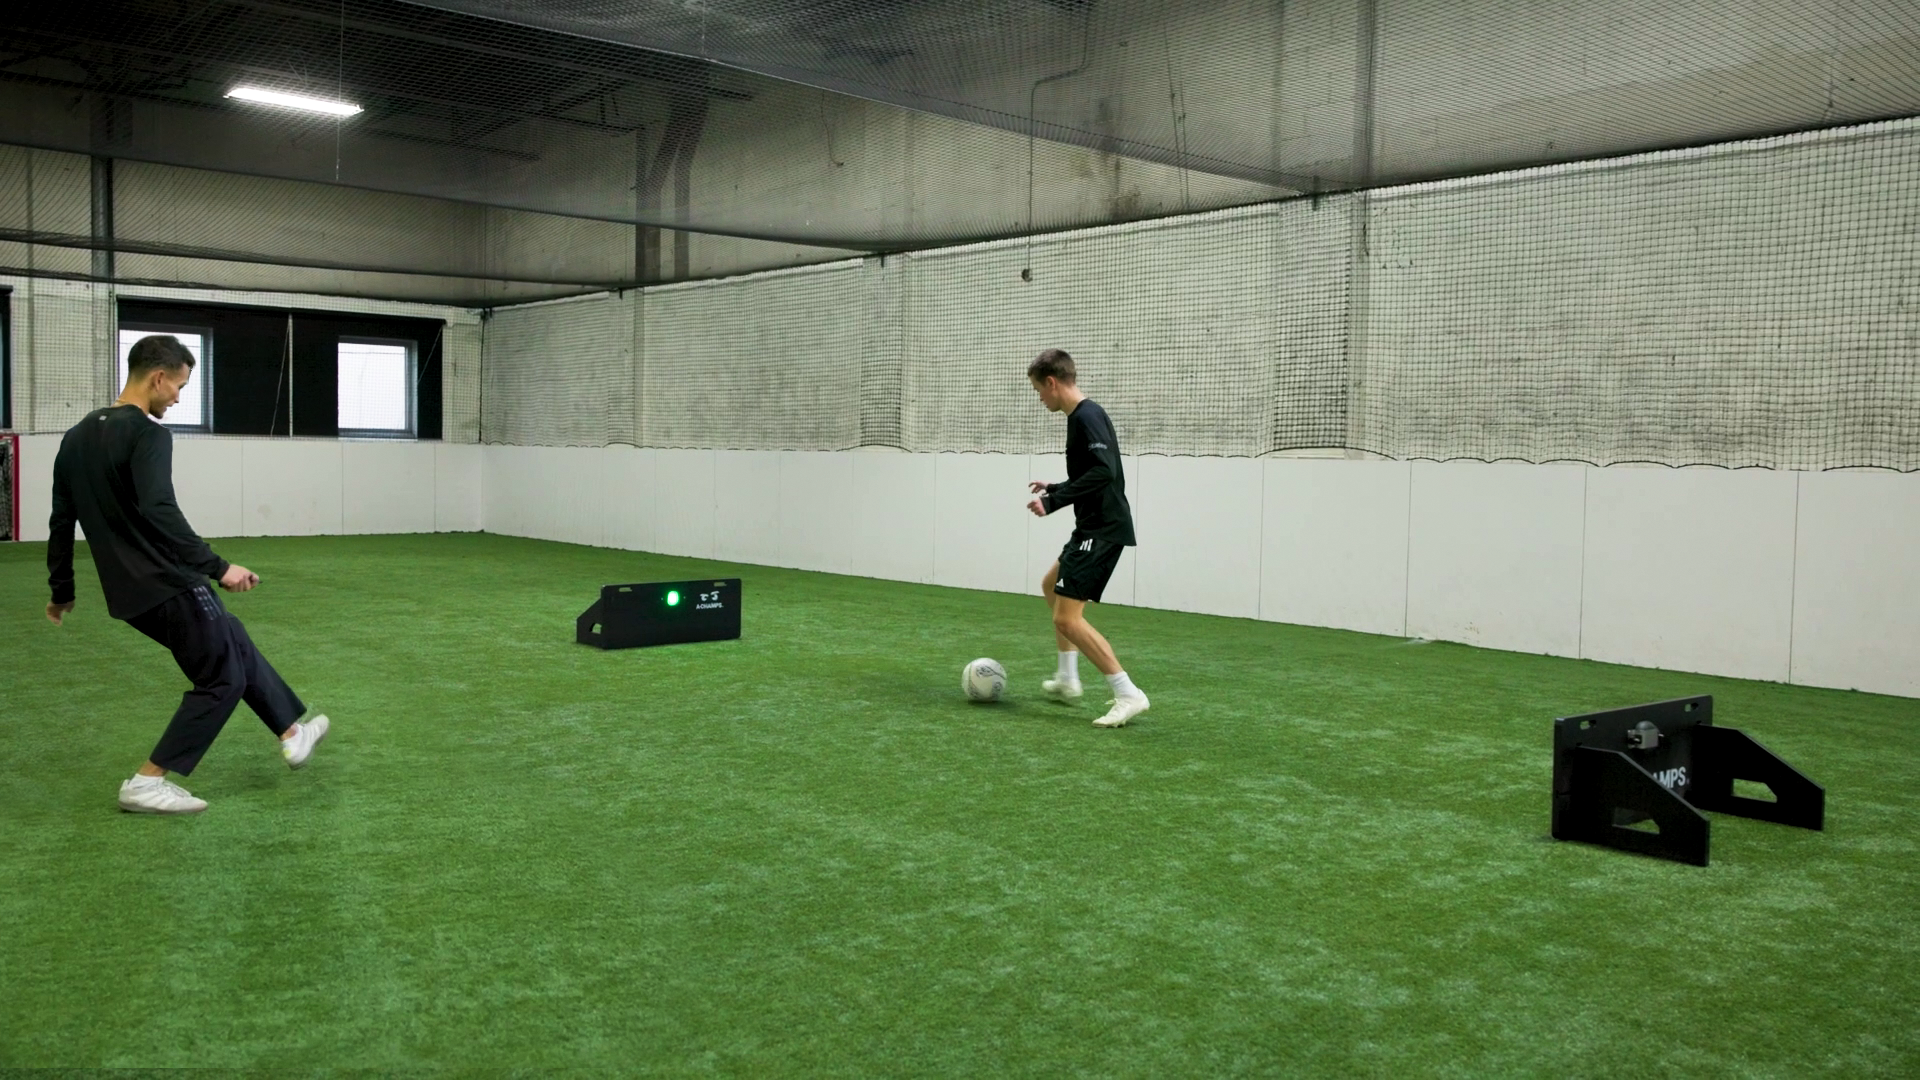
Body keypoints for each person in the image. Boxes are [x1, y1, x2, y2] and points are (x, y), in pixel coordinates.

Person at [46, 334, 329, 815]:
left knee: (231, 638)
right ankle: (147, 781)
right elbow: (159, 509)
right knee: (222, 679)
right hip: (170, 583)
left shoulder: (74, 439)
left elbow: (61, 521)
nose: (178, 398)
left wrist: (62, 591)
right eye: (178, 386)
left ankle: (291, 732)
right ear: (158, 378)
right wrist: (218, 567)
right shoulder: (148, 433)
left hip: (129, 595)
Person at [1025, 348, 1149, 728]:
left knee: (1067, 619)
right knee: (1051, 585)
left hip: (1102, 530)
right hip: (1093, 526)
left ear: (1051, 382)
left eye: (1039, 391)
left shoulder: (1086, 416)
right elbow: (1093, 473)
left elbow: (1104, 471)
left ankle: (1128, 693)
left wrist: (1054, 501)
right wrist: (1058, 486)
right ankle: (1067, 679)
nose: (1040, 399)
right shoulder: (1080, 417)